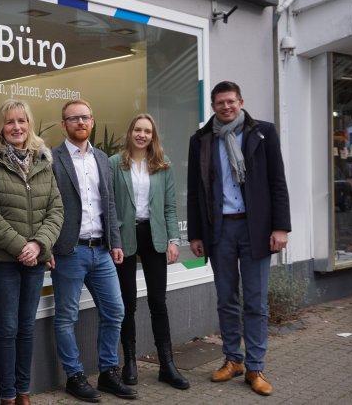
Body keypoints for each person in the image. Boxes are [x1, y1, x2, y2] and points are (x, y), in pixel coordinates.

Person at [187, 81, 290, 396]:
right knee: (226, 298)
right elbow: (194, 190)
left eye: (230, 101)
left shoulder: (263, 133)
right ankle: (233, 359)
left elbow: (277, 182)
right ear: (213, 106)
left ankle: (255, 367)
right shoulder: (202, 139)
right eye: (219, 103)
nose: (225, 107)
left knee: (256, 302)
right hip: (220, 230)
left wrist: (280, 227)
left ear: (241, 102)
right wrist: (196, 235)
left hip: (255, 228)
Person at [0, 99, 64, 405]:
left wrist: (39, 244)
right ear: (1, 126)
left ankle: (24, 391)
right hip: (1, 262)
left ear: (30, 125)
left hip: (34, 259)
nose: (16, 127)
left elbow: (56, 209)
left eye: (22, 121)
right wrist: (21, 246)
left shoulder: (42, 160)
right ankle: (7, 396)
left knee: (26, 327)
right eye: (10, 122)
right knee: (8, 328)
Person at [50, 99, 136, 402]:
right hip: (69, 251)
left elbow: (108, 203)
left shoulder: (101, 158)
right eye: (73, 119)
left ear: (93, 121)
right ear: (64, 125)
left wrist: (115, 242)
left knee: (115, 311)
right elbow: (47, 207)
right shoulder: (52, 158)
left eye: (85, 117)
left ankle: (108, 373)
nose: (80, 123)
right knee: (66, 317)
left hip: (101, 251)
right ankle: (74, 376)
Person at [108, 114, 189, 390]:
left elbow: (169, 208)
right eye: (138, 130)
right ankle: (129, 362)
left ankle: (167, 365)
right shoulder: (114, 164)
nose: (142, 135)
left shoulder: (162, 167)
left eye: (147, 131)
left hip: (154, 235)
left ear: (153, 136)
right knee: (127, 302)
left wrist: (174, 240)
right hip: (124, 236)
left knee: (158, 301)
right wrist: (112, 239)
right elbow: (108, 205)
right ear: (130, 132)